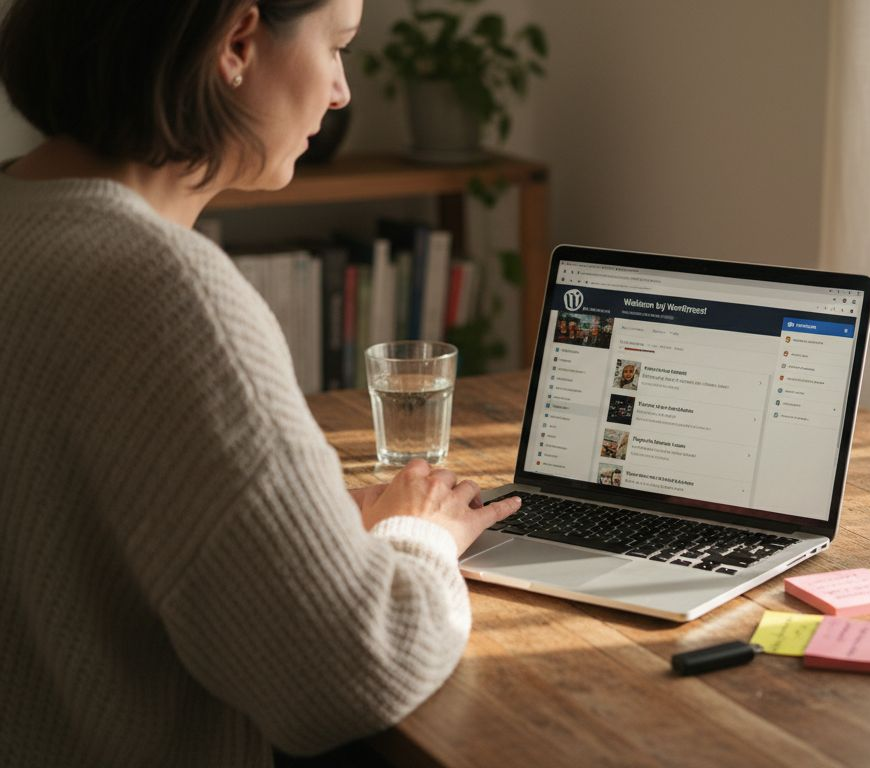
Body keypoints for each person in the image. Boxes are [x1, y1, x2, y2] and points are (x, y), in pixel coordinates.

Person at [0, 1, 521, 765]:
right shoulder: (166, 292)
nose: (341, 92)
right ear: (238, 41)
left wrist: (315, 529)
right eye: (337, 46)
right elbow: (352, 671)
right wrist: (424, 536)